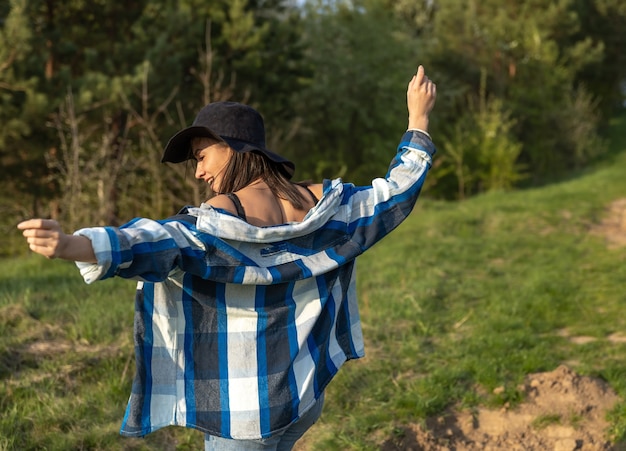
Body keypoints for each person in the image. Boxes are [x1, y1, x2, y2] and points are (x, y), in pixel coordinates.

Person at [18, 64, 437, 450]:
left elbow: (156, 241)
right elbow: (395, 193)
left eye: (201, 156)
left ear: (233, 148)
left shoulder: (216, 224)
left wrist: (72, 244)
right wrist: (417, 121)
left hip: (244, 416)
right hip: (305, 394)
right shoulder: (329, 208)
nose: (198, 172)